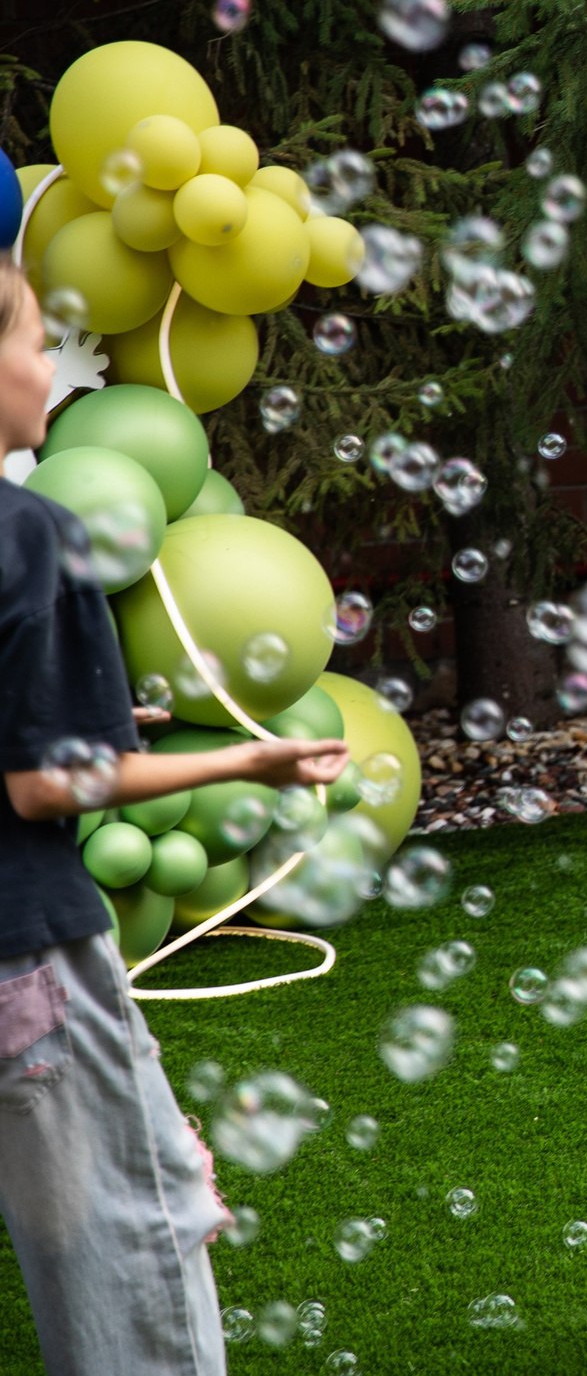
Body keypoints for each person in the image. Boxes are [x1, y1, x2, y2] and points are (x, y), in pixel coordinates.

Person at [0, 255, 350, 1375]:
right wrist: (254, 754)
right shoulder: (24, 534)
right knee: (126, 1246)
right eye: (29, 338)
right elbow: (45, 783)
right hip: (24, 957)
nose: (49, 364)